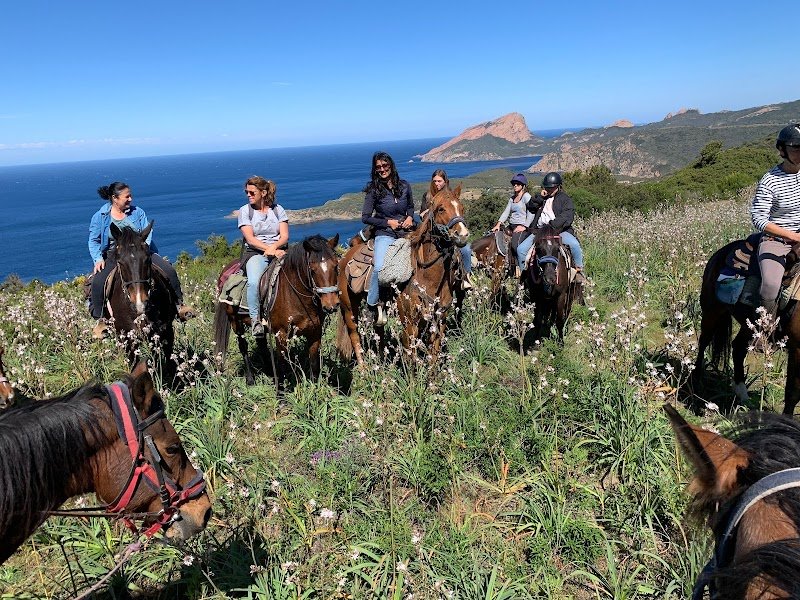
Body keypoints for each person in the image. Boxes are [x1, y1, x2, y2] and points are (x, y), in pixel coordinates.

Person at [88, 182, 195, 339]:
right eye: (127, 196)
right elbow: (93, 240)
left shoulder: (138, 213)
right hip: (115, 254)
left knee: (169, 270)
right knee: (98, 281)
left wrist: (142, 248)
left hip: (140, 251)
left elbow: (147, 233)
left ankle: (179, 305)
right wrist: (98, 259)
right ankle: (101, 320)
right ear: (114, 198)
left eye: (131, 195)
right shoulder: (100, 217)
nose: (131, 199)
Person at [750, 123, 800, 317]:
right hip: (777, 241)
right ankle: (764, 333)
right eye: (796, 148)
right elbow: (759, 219)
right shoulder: (770, 180)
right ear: (782, 150)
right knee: (771, 284)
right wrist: (794, 236)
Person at [362, 151, 414, 327]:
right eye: (378, 167)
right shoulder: (373, 190)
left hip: (406, 231)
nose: (382, 169)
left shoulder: (405, 185)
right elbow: (366, 217)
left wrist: (410, 218)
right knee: (379, 268)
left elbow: (411, 207)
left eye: (385, 166)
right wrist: (387, 222)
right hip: (385, 232)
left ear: (391, 166)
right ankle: (371, 305)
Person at [238, 176, 289, 337]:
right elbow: (250, 239)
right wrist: (269, 249)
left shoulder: (278, 209)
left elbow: (285, 236)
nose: (248, 195)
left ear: (263, 192)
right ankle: (256, 321)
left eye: (252, 192)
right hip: (255, 253)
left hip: (279, 250)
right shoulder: (245, 211)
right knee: (254, 282)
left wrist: (274, 247)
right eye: (247, 192)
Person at [518, 172, 585, 283]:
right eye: (547, 187)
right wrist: (539, 197)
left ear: (558, 186)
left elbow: (567, 216)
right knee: (521, 250)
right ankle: (525, 277)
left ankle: (578, 271)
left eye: (552, 187)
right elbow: (530, 206)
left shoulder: (565, 199)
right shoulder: (542, 198)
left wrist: (552, 225)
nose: (549, 189)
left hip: (558, 230)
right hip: (540, 231)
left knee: (574, 244)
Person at [420, 169, 473, 290]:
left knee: (465, 250)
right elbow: (422, 214)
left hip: (448, 231)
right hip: (431, 231)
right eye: (434, 181)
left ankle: (466, 276)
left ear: (445, 182)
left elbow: (456, 213)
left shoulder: (450, 196)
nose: (436, 184)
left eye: (439, 181)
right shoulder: (428, 195)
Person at [491, 173, 535, 276]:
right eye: (514, 184)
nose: (515, 185)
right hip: (511, 225)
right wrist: (499, 224)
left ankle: (521, 269)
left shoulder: (526, 197)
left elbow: (531, 212)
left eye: (518, 184)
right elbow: (506, 212)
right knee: (497, 238)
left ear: (523, 186)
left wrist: (524, 226)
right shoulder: (512, 198)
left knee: (515, 245)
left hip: (522, 226)